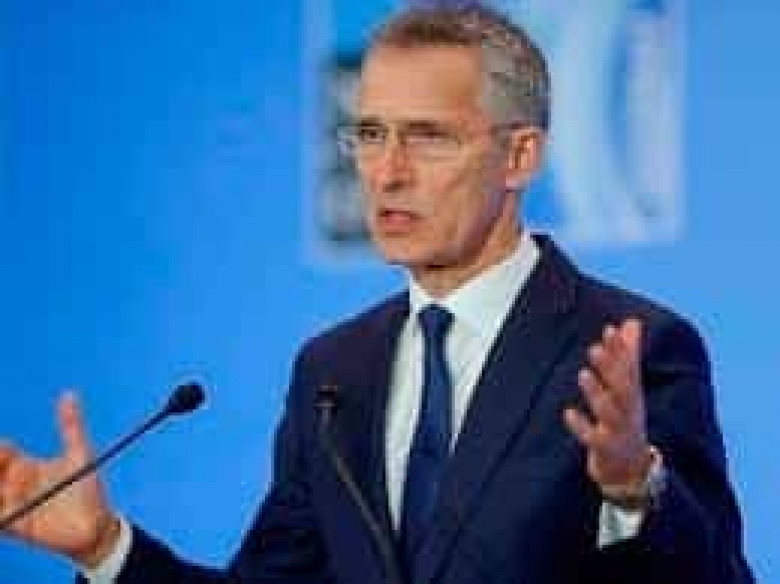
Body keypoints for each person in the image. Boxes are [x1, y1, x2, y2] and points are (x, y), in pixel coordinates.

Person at [0, 4, 755, 584]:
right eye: (368, 134)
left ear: (520, 156)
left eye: (428, 137)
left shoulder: (627, 348)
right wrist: (106, 548)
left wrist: (634, 491)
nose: (387, 173)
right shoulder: (335, 371)